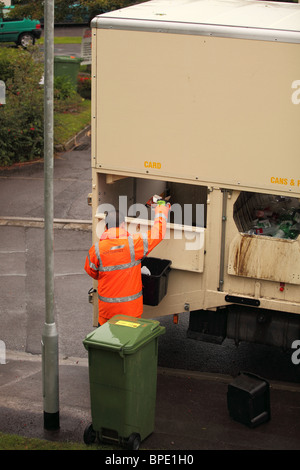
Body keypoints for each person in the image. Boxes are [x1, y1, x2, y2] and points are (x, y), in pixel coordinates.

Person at [84, 200, 170, 326]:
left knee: (106, 342)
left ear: (106, 226)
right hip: (130, 313)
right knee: (127, 344)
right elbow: (158, 233)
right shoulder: (134, 245)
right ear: (123, 225)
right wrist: (161, 209)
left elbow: (91, 272)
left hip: (106, 313)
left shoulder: (96, 250)